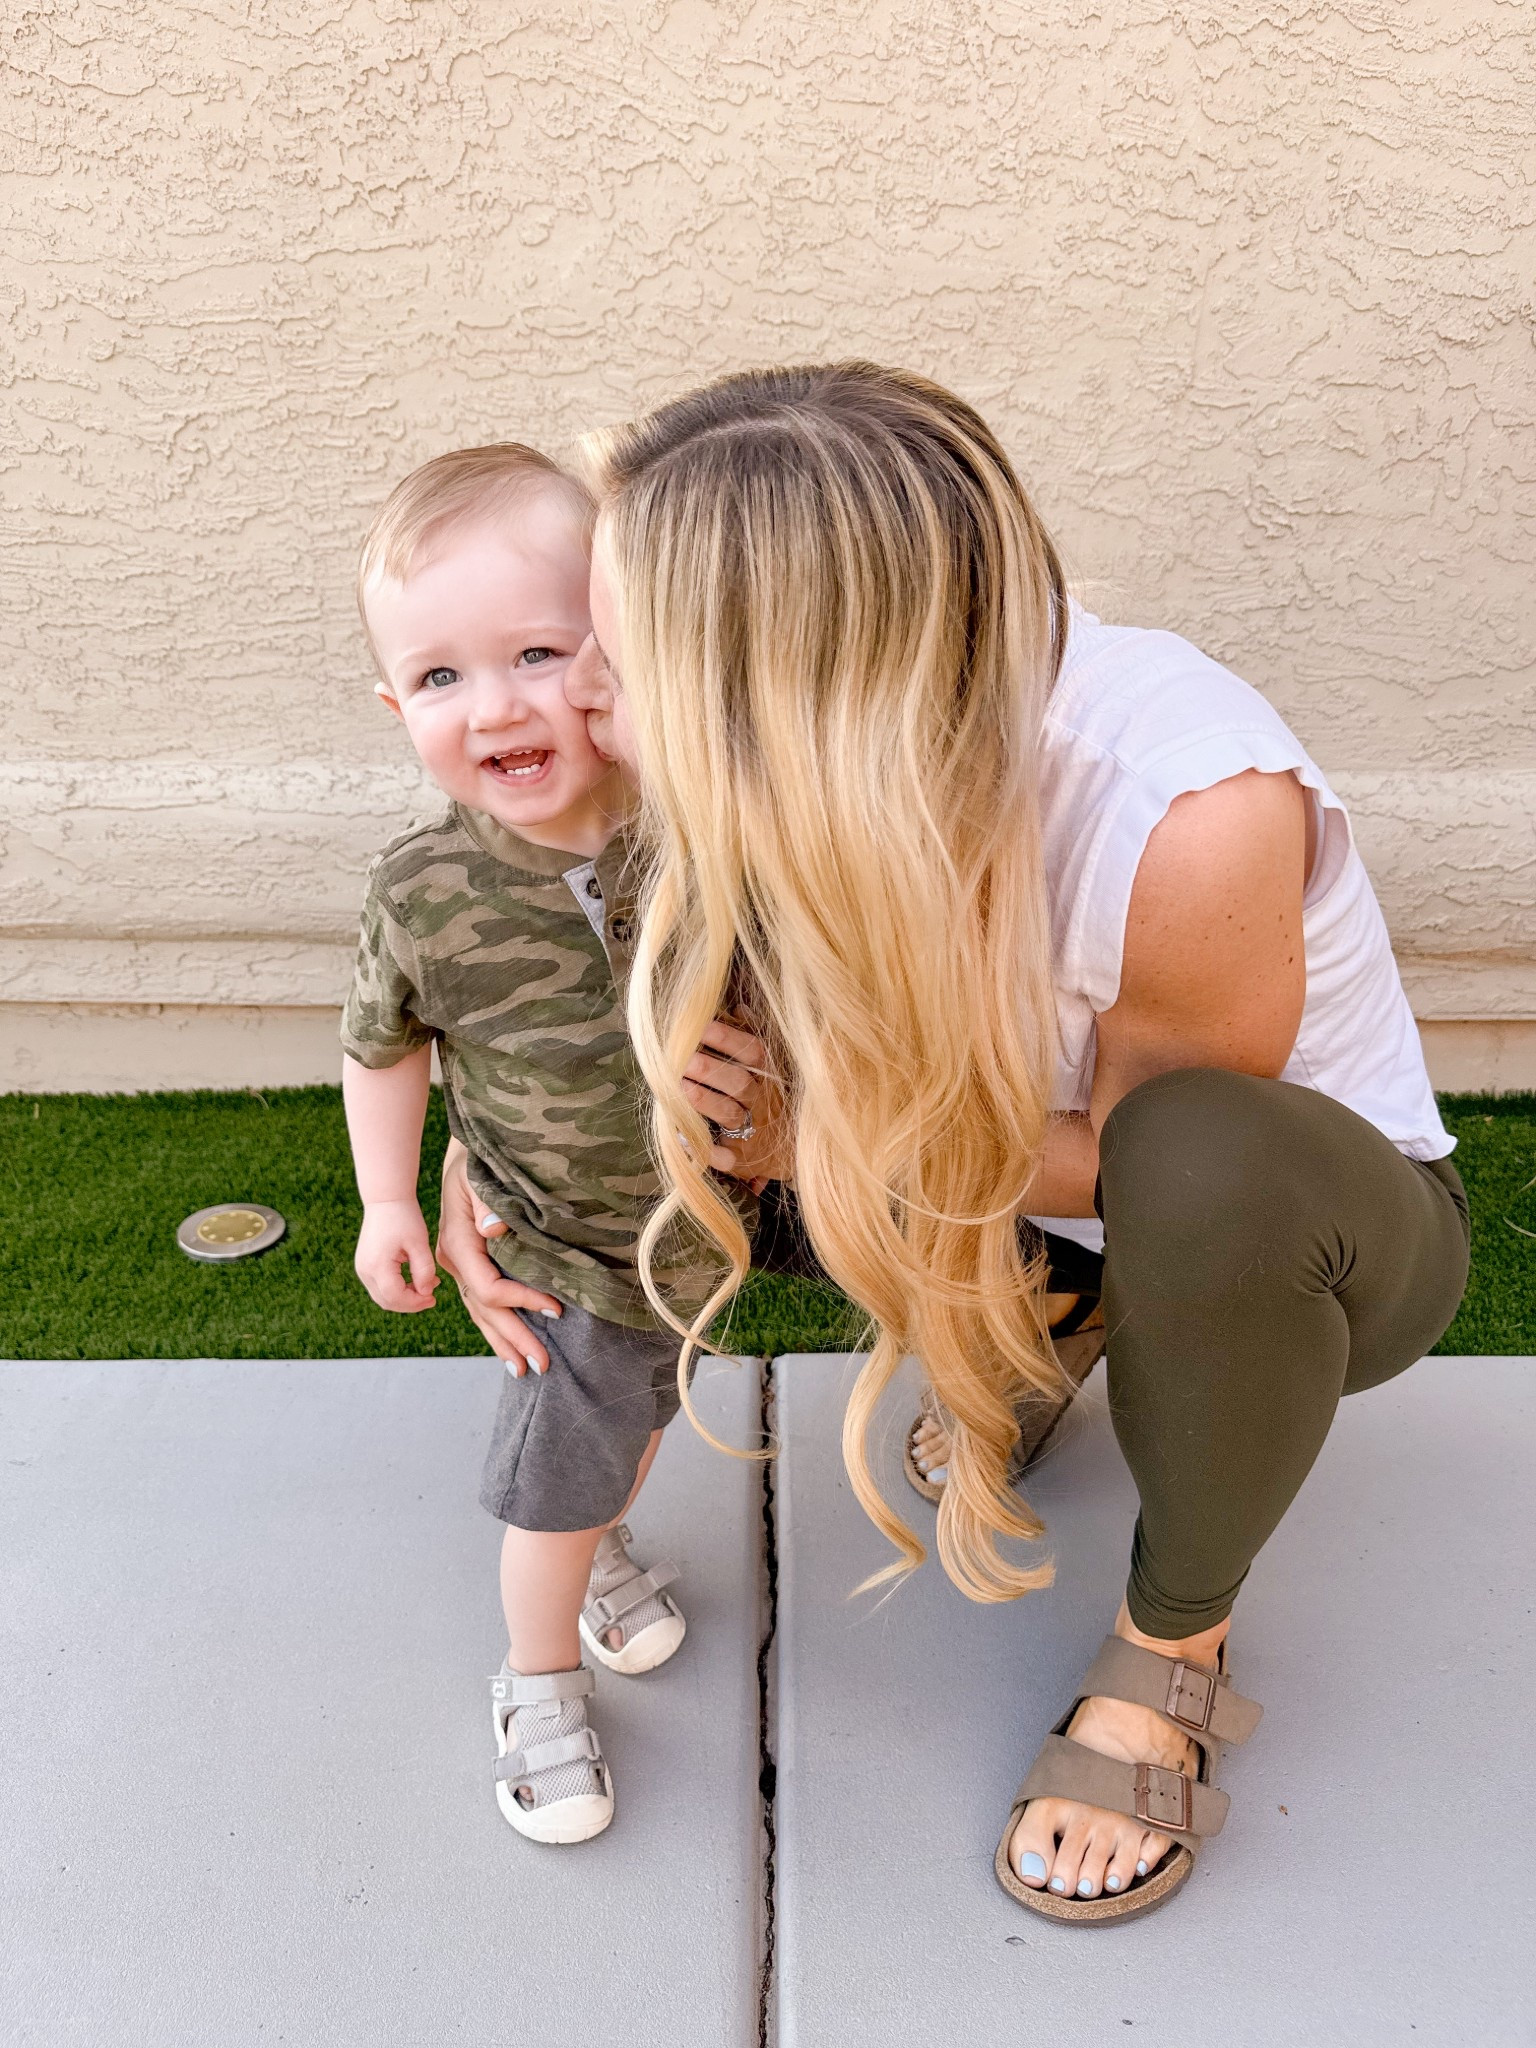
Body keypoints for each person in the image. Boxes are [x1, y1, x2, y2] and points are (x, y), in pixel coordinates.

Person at [438, 362, 1470, 1923]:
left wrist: (834, 1138)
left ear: (783, 680)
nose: (584, 694)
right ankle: (1055, 1314)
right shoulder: (814, 758)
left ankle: (1171, 1645)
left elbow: (1137, 1166)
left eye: (619, 659)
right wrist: (481, 1153)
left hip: (1309, 1233)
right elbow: (528, 948)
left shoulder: (1187, 800)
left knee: (1194, 1166)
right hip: (1022, 1173)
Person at [339, 442, 761, 1845]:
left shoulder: (696, 835)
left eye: (535, 650)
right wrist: (387, 1203)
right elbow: (384, 1047)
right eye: (442, 676)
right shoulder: (425, 890)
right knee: (553, 1474)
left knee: (631, 1435)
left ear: (616, 665)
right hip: (551, 1252)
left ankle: (598, 1552)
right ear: (396, 704)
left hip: (687, 1228)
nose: (497, 704)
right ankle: (536, 1684)